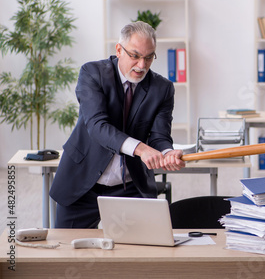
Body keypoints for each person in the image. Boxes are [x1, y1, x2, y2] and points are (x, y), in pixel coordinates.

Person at [50, 21, 185, 228]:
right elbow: (96, 125)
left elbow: (159, 135)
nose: (142, 65)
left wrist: (168, 152)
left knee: (141, 251)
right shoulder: (92, 73)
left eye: (149, 57)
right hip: (83, 182)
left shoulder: (163, 88)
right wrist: (141, 149)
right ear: (119, 50)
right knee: (68, 252)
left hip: (131, 185)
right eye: (135, 55)